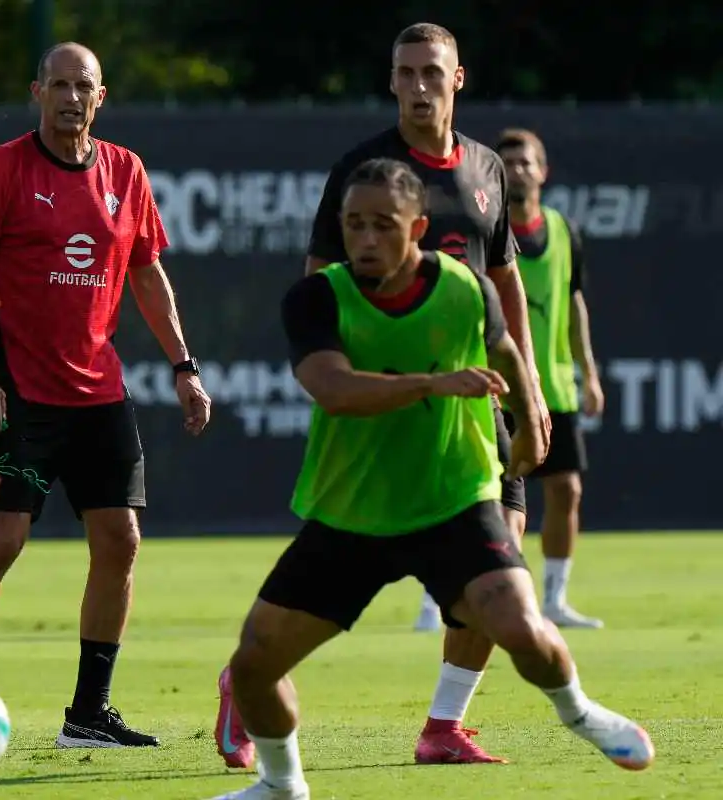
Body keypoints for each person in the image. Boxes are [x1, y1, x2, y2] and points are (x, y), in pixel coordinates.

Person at [206, 158, 652, 800]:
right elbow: (333, 389)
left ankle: (579, 712)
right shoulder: (316, 297)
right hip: (351, 512)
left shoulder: (465, 287)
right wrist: (432, 384)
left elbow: (506, 351)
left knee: (522, 627)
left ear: (416, 227)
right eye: (353, 224)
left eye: (382, 225)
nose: (365, 239)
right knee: (252, 668)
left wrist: (530, 422)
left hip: (453, 501)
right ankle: (282, 785)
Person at [215, 22, 552, 769]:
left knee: (503, 566)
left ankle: (443, 726)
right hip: (391, 406)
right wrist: (345, 375)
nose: (419, 85)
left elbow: (505, 285)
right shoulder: (365, 172)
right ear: (392, 81)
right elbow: (319, 284)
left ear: (457, 78)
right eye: (406, 72)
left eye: (432, 71)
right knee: (343, 564)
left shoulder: (489, 168)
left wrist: (526, 382)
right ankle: (251, 674)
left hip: (477, 400)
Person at [0, 41, 211, 748]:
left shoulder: (125, 170)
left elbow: (148, 276)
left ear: (102, 97)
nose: (70, 97)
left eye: (83, 86)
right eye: (58, 84)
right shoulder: (1, 168)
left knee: (120, 540)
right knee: (4, 542)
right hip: (19, 392)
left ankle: (88, 714)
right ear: (36, 91)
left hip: (98, 389)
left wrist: (184, 365)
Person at [498, 128, 604, 628]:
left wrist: (589, 373)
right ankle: (442, 601)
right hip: (496, 384)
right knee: (479, 499)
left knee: (566, 490)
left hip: (553, 386)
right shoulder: (484, 228)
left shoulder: (563, 231)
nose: (518, 170)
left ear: (543, 171)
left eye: (526, 162)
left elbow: (574, 302)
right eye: (508, 162)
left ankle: (555, 600)